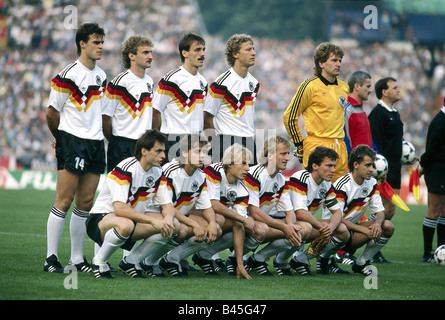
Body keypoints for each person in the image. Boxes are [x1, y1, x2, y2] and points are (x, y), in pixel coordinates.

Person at [44, 23, 107, 273]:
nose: (101, 46)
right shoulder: (68, 74)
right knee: (64, 200)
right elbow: (51, 112)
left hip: (95, 143)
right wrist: (61, 138)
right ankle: (50, 258)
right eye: (96, 42)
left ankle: (77, 260)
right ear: (82, 43)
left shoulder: (101, 76)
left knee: (86, 202)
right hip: (72, 141)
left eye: (102, 42)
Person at [85, 130, 178, 278]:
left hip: (131, 220)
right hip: (100, 220)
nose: (163, 156)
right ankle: (99, 261)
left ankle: (131, 261)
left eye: (164, 151)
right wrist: (152, 221)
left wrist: (167, 220)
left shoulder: (158, 172)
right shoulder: (126, 168)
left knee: (173, 225)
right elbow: (120, 208)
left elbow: (167, 205)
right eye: (158, 151)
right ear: (144, 151)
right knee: (126, 224)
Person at [193, 144, 268, 279]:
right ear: (229, 164)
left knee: (249, 226)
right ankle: (170, 259)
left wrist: (240, 263)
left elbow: (240, 225)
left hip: (211, 220)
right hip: (190, 214)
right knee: (220, 219)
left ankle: (205, 256)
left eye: (248, 164)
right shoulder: (214, 171)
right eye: (243, 163)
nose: (248, 168)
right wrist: (244, 219)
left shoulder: (242, 189)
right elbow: (213, 205)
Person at [243, 136, 312, 276]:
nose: (287, 158)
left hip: (260, 224)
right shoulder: (254, 174)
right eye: (283, 153)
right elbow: (253, 212)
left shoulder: (280, 178)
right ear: (269, 155)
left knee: (303, 229)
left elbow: (290, 212)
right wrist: (284, 227)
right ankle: (228, 258)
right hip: (241, 223)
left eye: (288, 154)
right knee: (262, 229)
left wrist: (291, 227)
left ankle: (258, 259)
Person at [275, 146, 350, 275]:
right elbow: (300, 213)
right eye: (328, 166)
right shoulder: (301, 177)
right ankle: (278, 260)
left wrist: (331, 228)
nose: (333, 170)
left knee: (342, 230)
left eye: (334, 166)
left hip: (301, 223)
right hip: (279, 221)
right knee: (305, 228)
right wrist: (322, 227)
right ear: (315, 166)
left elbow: (337, 212)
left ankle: (300, 260)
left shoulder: (327, 184)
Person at [323, 145, 394, 275]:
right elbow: (336, 219)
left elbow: (380, 212)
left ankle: (361, 264)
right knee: (342, 230)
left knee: (387, 226)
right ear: (356, 164)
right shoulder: (342, 184)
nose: (372, 169)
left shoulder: (372, 183)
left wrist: (377, 224)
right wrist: (364, 230)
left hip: (351, 232)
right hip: (333, 231)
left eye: (372, 165)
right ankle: (323, 259)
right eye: (367, 165)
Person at [283, 42, 349, 182]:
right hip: (317, 146)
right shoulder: (310, 86)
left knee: (340, 196)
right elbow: (289, 116)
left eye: (340, 60)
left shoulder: (344, 87)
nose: (338, 64)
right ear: (321, 63)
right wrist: (299, 144)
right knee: (313, 196)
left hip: (340, 146)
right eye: (334, 60)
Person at [156, 135, 221, 276]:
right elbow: (166, 207)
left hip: (178, 217)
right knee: (183, 229)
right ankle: (146, 261)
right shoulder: (170, 171)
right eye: (198, 151)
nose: (202, 156)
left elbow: (206, 206)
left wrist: (211, 222)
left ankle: (171, 259)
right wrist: (193, 224)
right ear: (185, 153)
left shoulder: (200, 175)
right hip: (159, 215)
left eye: (204, 152)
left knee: (215, 229)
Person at [203, 33, 259, 164]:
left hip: (249, 141)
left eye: (253, 49)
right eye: (248, 49)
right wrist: (216, 145)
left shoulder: (254, 83)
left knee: (250, 184)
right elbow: (206, 118)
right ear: (235, 54)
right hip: (226, 141)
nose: (254, 53)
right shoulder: (221, 84)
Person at [152, 33, 208, 164]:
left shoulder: (203, 82)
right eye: (197, 50)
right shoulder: (171, 79)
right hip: (174, 140)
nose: (202, 54)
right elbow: (155, 111)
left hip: (195, 141)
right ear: (185, 53)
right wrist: (158, 141)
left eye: (203, 49)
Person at [102, 35, 155, 173]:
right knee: (120, 191)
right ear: (131, 56)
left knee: (140, 192)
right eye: (145, 52)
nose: (150, 56)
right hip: (122, 145)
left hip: (144, 145)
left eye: (150, 52)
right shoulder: (119, 82)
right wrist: (115, 140)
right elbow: (105, 117)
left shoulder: (149, 81)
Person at [368, 77, 404, 263]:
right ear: (384, 91)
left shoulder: (395, 112)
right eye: (395, 87)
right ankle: (372, 251)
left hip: (397, 167)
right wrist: (381, 168)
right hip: (385, 169)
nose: (398, 90)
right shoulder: (377, 113)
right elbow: (375, 142)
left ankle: (376, 249)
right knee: (380, 210)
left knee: (390, 212)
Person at [419, 99, 445, 262]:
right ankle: (427, 252)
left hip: (442, 171)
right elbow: (431, 150)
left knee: (444, 212)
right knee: (434, 210)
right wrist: (423, 165)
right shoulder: (440, 121)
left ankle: (441, 249)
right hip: (437, 171)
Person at [344, 71, 377, 154]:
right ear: (357, 86)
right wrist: (350, 164)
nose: (370, 90)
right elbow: (345, 141)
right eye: (368, 86)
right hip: (355, 165)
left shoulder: (360, 110)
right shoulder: (347, 110)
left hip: (365, 164)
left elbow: (368, 139)